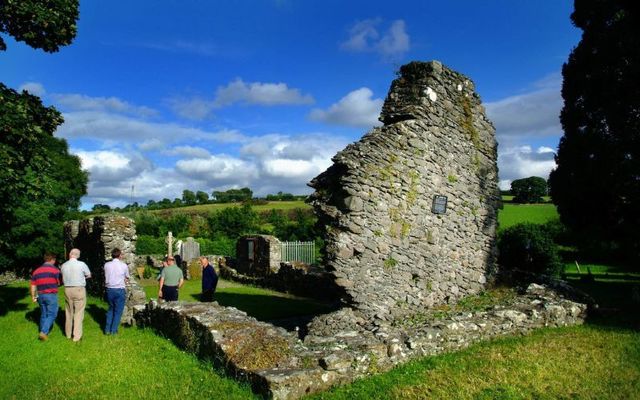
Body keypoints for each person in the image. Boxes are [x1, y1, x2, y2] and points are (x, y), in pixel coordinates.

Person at [60, 248, 91, 342]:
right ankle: (76, 336)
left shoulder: (63, 265)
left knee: (69, 312)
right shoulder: (82, 264)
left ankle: (68, 334)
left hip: (67, 289)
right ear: (78, 255)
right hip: (78, 289)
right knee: (78, 312)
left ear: (70, 254)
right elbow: (89, 275)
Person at [30, 252, 61, 341]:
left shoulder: (36, 271)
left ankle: (42, 331)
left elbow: (33, 285)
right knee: (52, 314)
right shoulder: (55, 270)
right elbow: (58, 283)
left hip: (40, 295)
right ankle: (43, 332)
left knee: (44, 313)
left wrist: (34, 296)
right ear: (53, 260)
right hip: (51, 295)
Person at [103, 248, 129, 335]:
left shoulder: (106, 265)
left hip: (109, 289)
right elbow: (127, 277)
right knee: (118, 311)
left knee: (111, 309)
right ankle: (113, 330)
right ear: (120, 255)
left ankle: (107, 330)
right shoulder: (124, 265)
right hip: (119, 289)